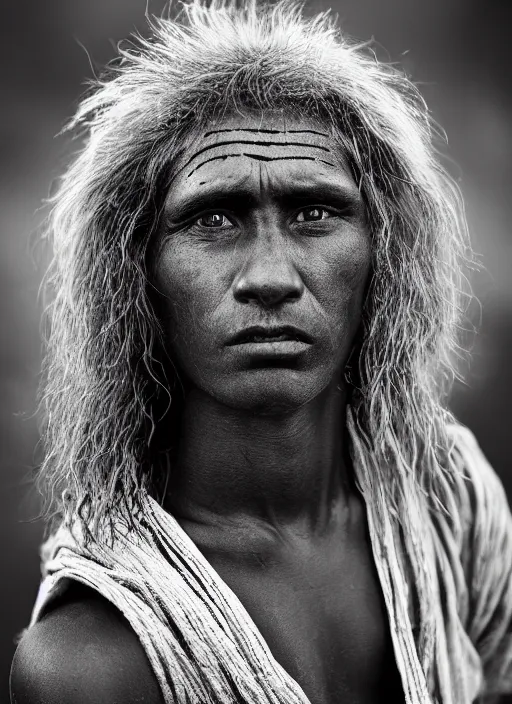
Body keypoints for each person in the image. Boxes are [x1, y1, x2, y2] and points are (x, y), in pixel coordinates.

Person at [9, 1, 512, 702]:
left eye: (315, 211)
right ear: (136, 275)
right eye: (212, 218)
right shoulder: (93, 659)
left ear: (385, 255)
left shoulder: (448, 497)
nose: (270, 277)